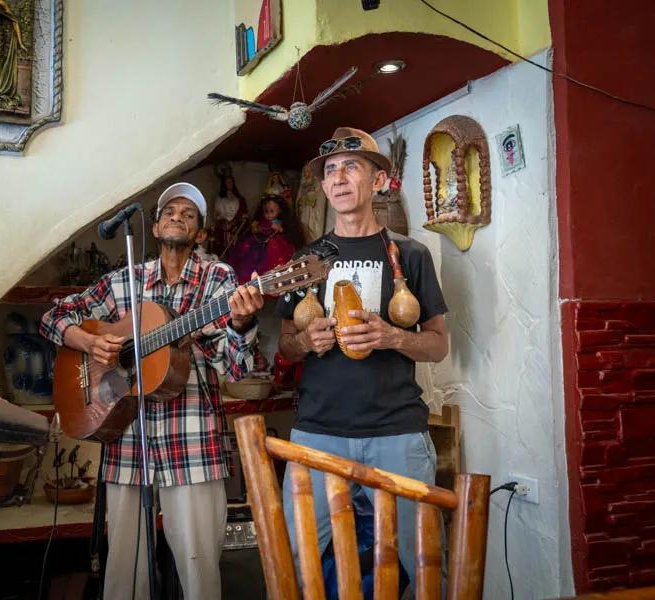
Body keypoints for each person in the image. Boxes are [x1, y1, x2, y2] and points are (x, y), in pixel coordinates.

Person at [40, 182, 263, 600]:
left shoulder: (219, 281)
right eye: (169, 211)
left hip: (193, 447)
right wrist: (88, 343)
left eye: (189, 213)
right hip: (127, 445)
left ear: (200, 234)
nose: (177, 216)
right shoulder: (124, 280)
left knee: (200, 576)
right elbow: (55, 317)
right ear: (156, 228)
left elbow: (236, 367)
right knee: (124, 577)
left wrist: (241, 324)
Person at [276, 127, 449, 588]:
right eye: (330, 171)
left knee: (424, 562)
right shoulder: (305, 260)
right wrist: (305, 341)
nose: (338, 178)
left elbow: (438, 344)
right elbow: (284, 344)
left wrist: (393, 337)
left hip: (397, 430)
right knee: (297, 560)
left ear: (378, 182)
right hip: (317, 430)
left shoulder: (410, 255)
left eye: (351, 167)